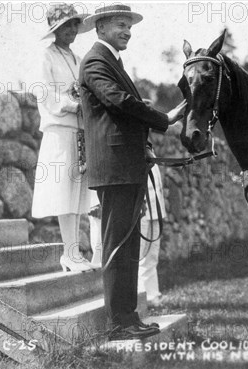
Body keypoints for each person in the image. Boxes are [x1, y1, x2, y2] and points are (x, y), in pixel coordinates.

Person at [79, 4, 186, 341]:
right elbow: (120, 102)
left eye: (129, 26)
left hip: (126, 166)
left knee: (126, 248)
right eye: (120, 25)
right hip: (115, 169)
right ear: (101, 28)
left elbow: (120, 114)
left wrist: (145, 147)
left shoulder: (111, 61)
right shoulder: (96, 61)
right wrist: (164, 121)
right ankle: (117, 323)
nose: (127, 31)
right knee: (117, 247)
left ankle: (128, 318)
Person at [31, 3, 98, 272]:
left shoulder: (76, 58)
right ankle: (69, 253)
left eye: (74, 25)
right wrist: (73, 105)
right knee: (63, 191)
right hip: (60, 130)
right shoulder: (46, 56)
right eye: (67, 25)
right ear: (55, 29)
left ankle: (76, 254)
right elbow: (44, 93)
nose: (72, 29)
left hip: (81, 130)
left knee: (78, 192)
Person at [138, 163, 166, 307]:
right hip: (140, 207)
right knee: (138, 254)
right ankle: (140, 296)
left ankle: (152, 295)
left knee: (152, 255)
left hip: (155, 206)